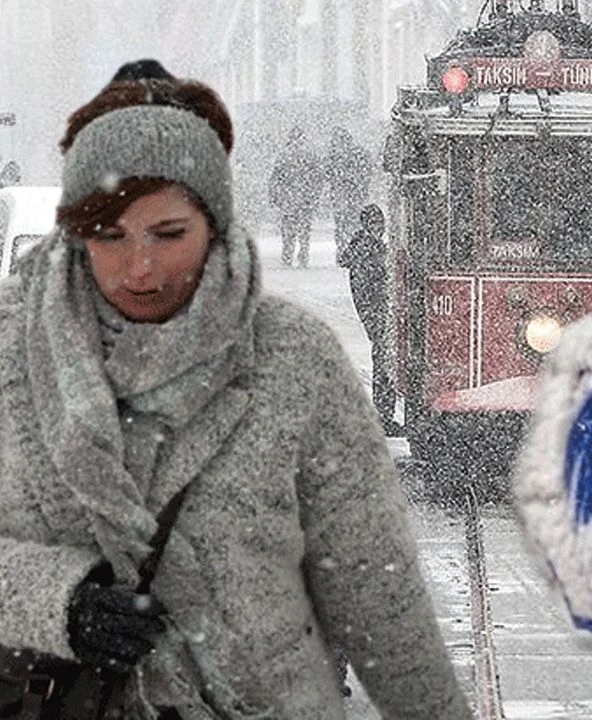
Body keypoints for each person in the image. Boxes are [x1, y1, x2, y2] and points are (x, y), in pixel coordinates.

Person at [0, 60, 470, 719]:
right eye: (109, 235)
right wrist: (62, 603)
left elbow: (379, 595)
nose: (141, 268)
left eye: (169, 234)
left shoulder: (294, 359)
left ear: (216, 228)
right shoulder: (12, 357)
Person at [338, 203, 401, 436]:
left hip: (376, 313)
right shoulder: (368, 250)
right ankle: (383, 415)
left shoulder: (365, 247)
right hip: (378, 313)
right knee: (384, 362)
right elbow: (368, 288)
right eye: (376, 223)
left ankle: (384, 413)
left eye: (381, 223)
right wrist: (377, 313)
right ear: (367, 224)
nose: (380, 228)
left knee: (383, 360)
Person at [269, 125, 322, 268]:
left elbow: (275, 178)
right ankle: (303, 254)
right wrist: (314, 196)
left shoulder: (284, 155)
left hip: (289, 200)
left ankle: (288, 254)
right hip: (305, 199)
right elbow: (318, 178)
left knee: (288, 231)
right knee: (304, 231)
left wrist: (274, 196)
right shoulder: (310, 155)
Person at [325, 127, 373, 261]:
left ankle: (343, 251)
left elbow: (327, 174)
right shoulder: (359, 153)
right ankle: (355, 251)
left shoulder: (334, 156)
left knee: (341, 225)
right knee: (354, 224)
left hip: (341, 197)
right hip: (355, 196)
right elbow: (368, 171)